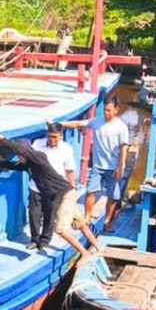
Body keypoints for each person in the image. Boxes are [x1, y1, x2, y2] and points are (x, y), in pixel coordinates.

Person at [0, 136, 101, 267]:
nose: (19, 158)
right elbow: (10, 165)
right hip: (62, 193)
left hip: (64, 195)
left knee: (61, 230)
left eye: (19, 155)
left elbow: (21, 150)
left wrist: (2, 140)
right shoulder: (29, 165)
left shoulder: (39, 157)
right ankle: (99, 248)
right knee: (79, 222)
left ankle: (85, 254)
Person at [60, 98, 130, 232]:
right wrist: (59, 124)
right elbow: (77, 124)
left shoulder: (121, 127)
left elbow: (124, 149)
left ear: (116, 110)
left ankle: (108, 221)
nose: (106, 113)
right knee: (91, 191)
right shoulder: (97, 122)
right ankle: (87, 217)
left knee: (113, 196)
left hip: (113, 168)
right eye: (105, 110)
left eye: (109, 110)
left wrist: (121, 167)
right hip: (98, 166)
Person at [26, 122, 77, 251]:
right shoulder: (37, 144)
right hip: (36, 186)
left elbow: (69, 170)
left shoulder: (67, 149)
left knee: (50, 215)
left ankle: (44, 240)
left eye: (55, 137)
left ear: (61, 136)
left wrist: (72, 189)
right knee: (33, 213)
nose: (52, 140)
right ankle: (34, 239)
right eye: (50, 137)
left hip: (54, 189)